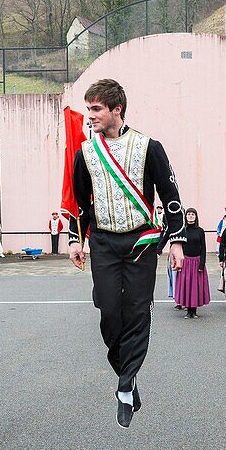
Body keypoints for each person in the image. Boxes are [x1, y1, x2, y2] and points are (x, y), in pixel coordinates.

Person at [66, 78, 184, 429]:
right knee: (106, 308)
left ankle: (124, 387)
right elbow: (80, 203)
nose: (91, 115)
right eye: (88, 109)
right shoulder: (85, 153)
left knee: (136, 311)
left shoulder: (149, 146)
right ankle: (128, 376)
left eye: (96, 109)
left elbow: (171, 195)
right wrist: (76, 239)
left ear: (117, 109)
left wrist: (176, 240)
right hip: (103, 241)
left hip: (141, 241)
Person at [174, 208, 210, 319]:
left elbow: (203, 248)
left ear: (196, 217)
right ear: (185, 216)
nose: (190, 216)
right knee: (186, 286)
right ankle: (188, 310)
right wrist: (178, 262)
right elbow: (178, 247)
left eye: (193, 214)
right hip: (185, 261)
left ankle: (194, 311)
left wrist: (202, 263)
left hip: (197, 261)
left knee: (196, 286)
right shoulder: (182, 230)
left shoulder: (200, 231)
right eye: (188, 214)